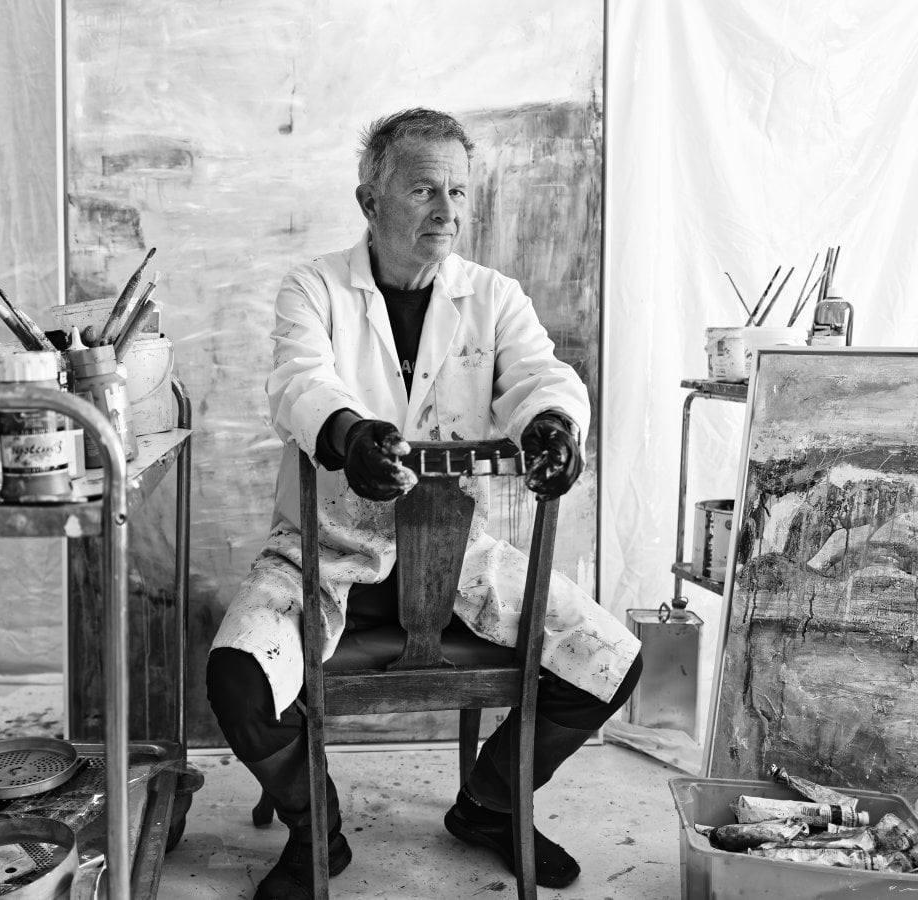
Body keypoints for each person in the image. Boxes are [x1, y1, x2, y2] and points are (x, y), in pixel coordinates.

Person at [207, 107, 643, 899]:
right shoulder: (315, 288)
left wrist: (552, 423)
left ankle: (488, 803)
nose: (446, 211)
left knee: (612, 663)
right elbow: (300, 380)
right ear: (371, 201)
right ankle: (317, 829)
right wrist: (348, 434)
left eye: (459, 192)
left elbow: (541, 376)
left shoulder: (492, 296)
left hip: (456, 561)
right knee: (236, 680)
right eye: (423, 190)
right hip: (327, 550)